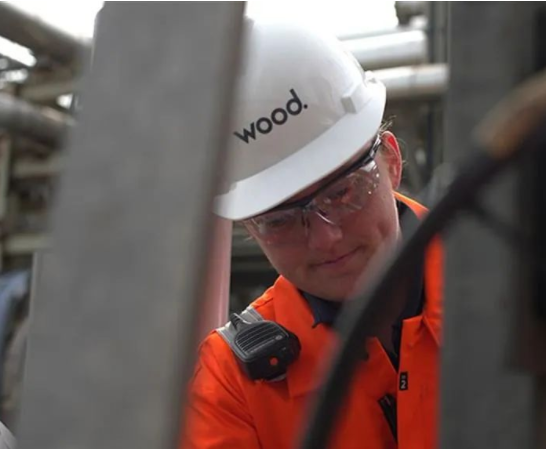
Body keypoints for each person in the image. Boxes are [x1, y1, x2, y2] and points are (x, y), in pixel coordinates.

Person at [181, 19, 443, 449]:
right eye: (280, 221)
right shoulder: (230, 385)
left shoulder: (516, 286)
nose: (325, 239)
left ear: (392, 162)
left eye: (342, 193)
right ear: (250, 227)